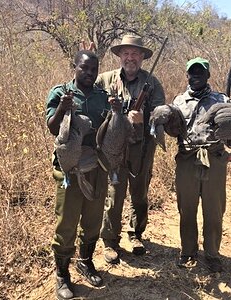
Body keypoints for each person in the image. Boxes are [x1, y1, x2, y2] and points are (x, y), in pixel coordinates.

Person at [46, 50, 121, 300]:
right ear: (75, 67)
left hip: (96, 169)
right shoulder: (61, 93)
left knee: (92, 222)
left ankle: (85, 262)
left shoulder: (102, 96)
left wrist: (117, 112)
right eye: (84, 68)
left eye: (93, 69)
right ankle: (62, 275)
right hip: (70, 170)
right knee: (66, 225)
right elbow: (52, 128)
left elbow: (110, 130)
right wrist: (62, 109)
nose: (89, 73)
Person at [96, 35, 165, 264]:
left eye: (135, 53)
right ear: (119, 56)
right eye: (126, 53)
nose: (130, 58)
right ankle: (110, 241)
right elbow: (88, 99)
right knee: (114, 194)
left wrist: (144, 117)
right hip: (114, 149)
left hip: (142, 148)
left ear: (143, 57)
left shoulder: (153, 83)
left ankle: (136, 234)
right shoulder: (104, 80)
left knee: (140, 192)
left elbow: (161, 114)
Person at [172, 57, 229, 272]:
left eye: (200, 72)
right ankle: (187, 251)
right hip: (187, 159)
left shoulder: (221, 100)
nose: (195, 76)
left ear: (208, 75)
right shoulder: (178, 101)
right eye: (192, 72)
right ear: (187, 75)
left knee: (214, 209)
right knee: (186, 208)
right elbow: (172, 129)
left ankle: (212, 254)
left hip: (214, 158)